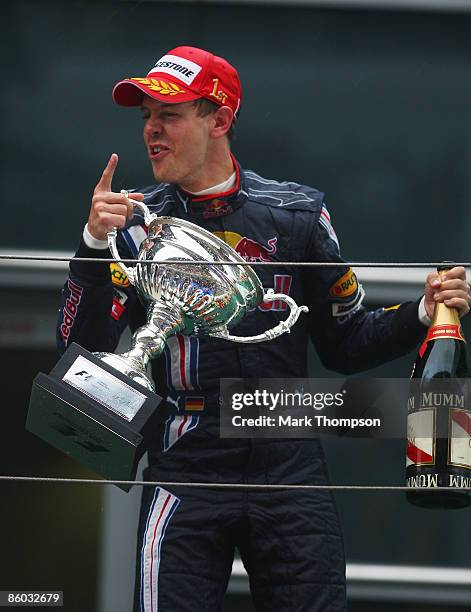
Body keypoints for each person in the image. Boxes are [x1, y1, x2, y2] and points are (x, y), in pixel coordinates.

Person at [56, 46, 470, 612]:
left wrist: (421, 313)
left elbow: (346, 346)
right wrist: (92, 246)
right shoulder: (131, 223)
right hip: (185, 463)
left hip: (288, 461)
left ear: (220, 120)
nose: (151, 129)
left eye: (169, 115)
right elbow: (82, 350)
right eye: (146, 116)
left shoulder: (297, 215)